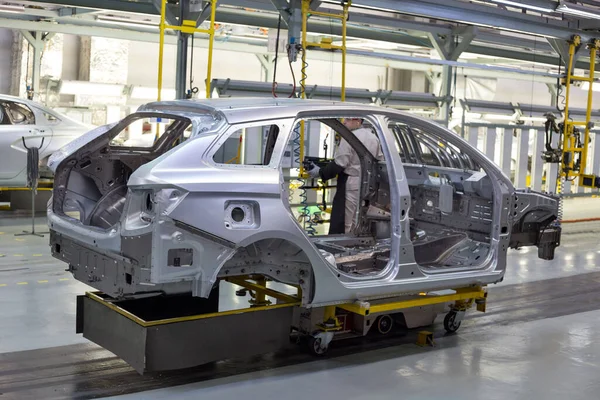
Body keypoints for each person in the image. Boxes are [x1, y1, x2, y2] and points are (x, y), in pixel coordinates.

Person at [306, 118, 383, 234]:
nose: (344, 122)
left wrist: (320, 172)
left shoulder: (349, 138)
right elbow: (380, 161)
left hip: (350, 183)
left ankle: (345, 245)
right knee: (362, 217)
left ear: (358, 121)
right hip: (368, 184)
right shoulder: (374, 138)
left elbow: (340, 163)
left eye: (347, 119)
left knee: (346, 220)